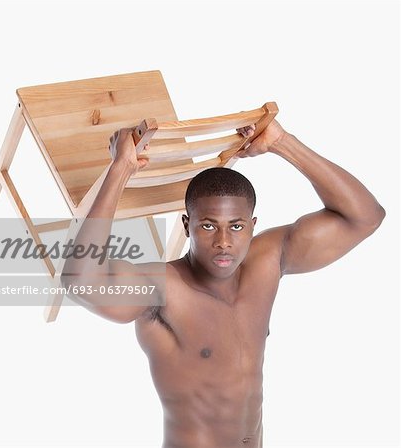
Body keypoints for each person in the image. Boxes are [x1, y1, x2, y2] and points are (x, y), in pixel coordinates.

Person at [61, 119, 385, 448]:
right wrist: (122, 168)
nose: (224, 242)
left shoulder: (267, 262)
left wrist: (282, 142)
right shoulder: (165, 288)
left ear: (252, 224)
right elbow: (81, 280)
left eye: (236, 226)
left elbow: (365, 216)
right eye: (208, 226)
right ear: (187, 226)